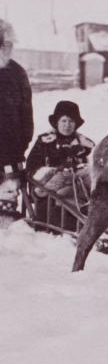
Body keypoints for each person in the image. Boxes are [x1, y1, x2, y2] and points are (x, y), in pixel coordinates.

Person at [25, 100, 96, 230]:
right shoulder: (45, 142)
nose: (67, 125)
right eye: (64, 121)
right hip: (49, 192)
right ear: (57, 122)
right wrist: (54, 173)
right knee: (63, 198)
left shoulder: (82, 145)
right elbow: (31, 168)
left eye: (71, 121)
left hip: (76, 191)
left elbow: (87, 170)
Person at [0, 21, 33, 227]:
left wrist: (22, 142)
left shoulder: (17, 73)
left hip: (10, 149)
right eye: (6, 44)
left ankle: (5, 230)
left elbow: (26, 112)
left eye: (11, 44)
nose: (10, 48)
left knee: (8, 194)